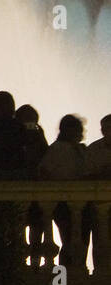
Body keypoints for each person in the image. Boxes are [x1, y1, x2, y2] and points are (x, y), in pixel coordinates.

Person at [39, 115, 90, 271]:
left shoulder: (74, 149)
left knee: (73, 240)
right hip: (65, 202)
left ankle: (66, 279)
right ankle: (68, 277)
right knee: (72, 240)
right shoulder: (59, 149)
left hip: (72, 202)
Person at [16, 104, 48, 179]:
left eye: (32, 122)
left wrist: (41, 137)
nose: (29, 125)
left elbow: (46, 156)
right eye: (27, 120)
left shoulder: (38, 136)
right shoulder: (14, 137)